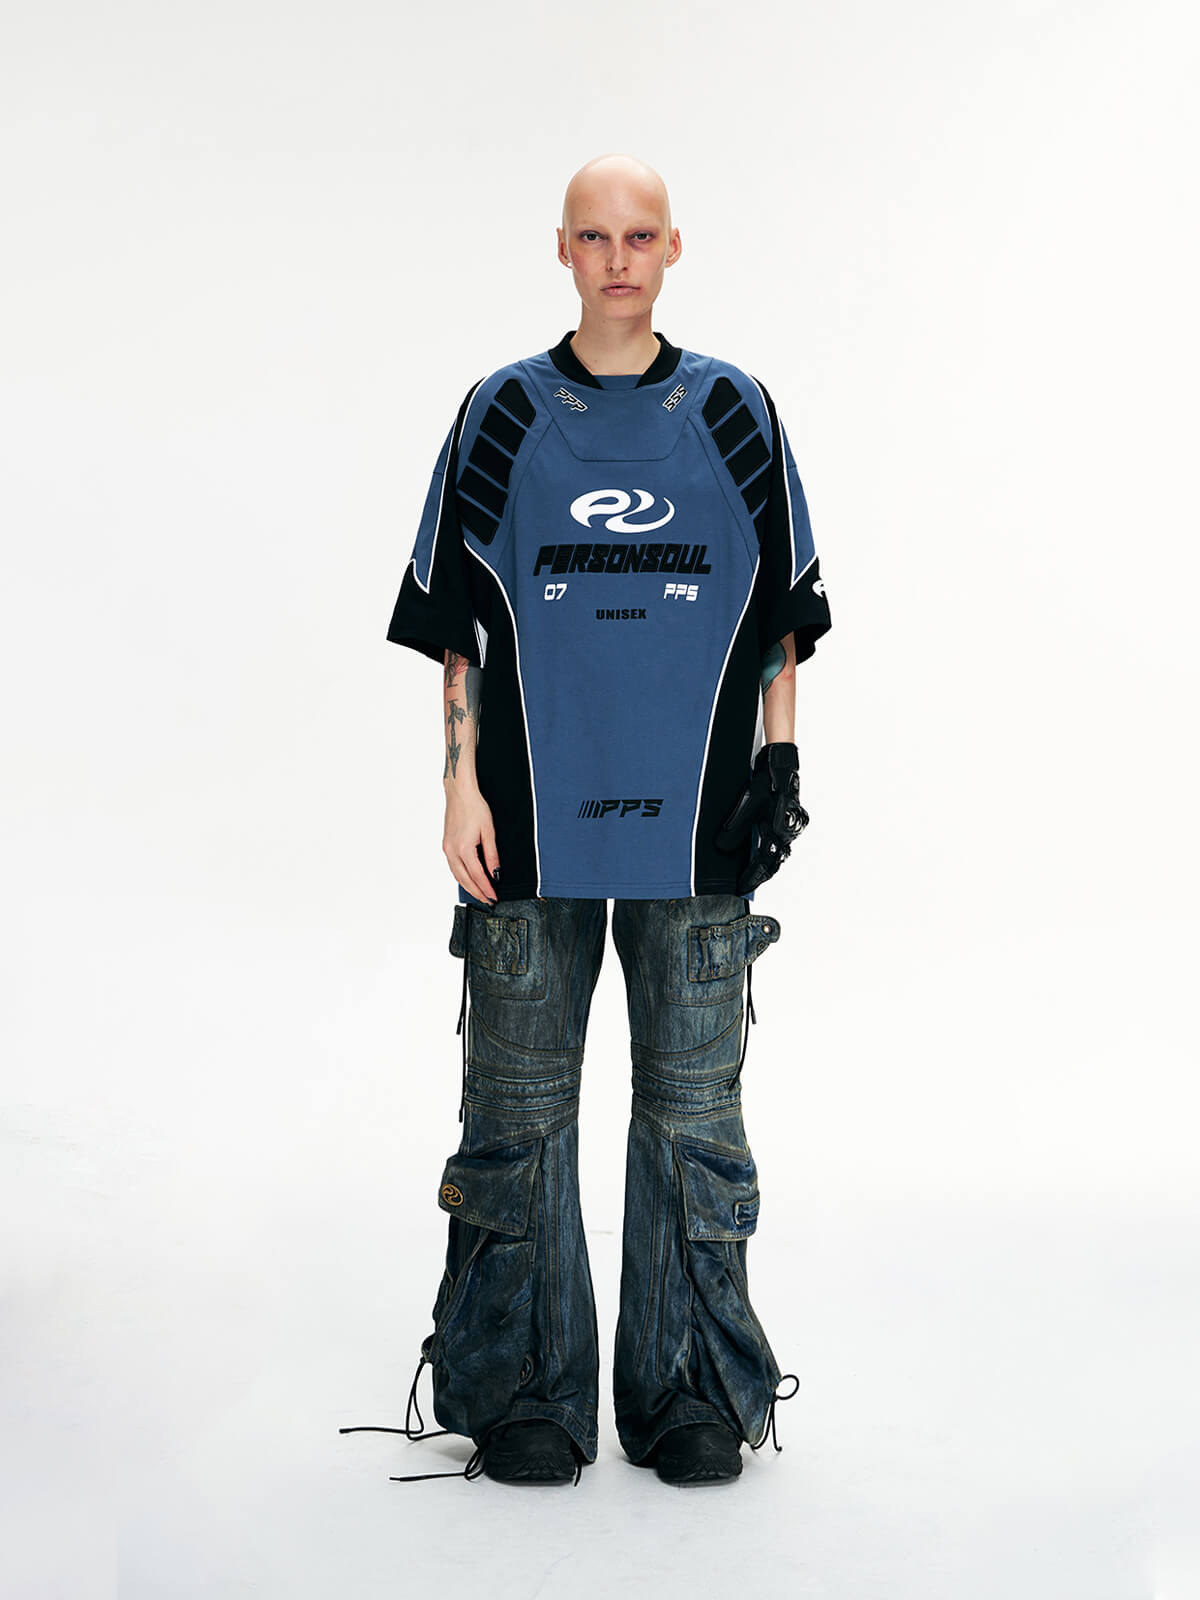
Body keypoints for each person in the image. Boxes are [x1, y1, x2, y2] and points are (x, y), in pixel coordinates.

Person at [345, 153, 832, 1488]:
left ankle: (688, 1392)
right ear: (561, 249)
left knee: (693, 1113)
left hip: (697, 817)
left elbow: (781, 613)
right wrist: (458, 781)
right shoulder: (502, 412)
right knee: (517, 1109)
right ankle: (526, 1391)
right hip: (530, 820)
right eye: (595, 237)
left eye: (640, 236)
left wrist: (780, 762)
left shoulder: (735, 411)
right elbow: (457, 624)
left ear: (675, 247)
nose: (619, 259)